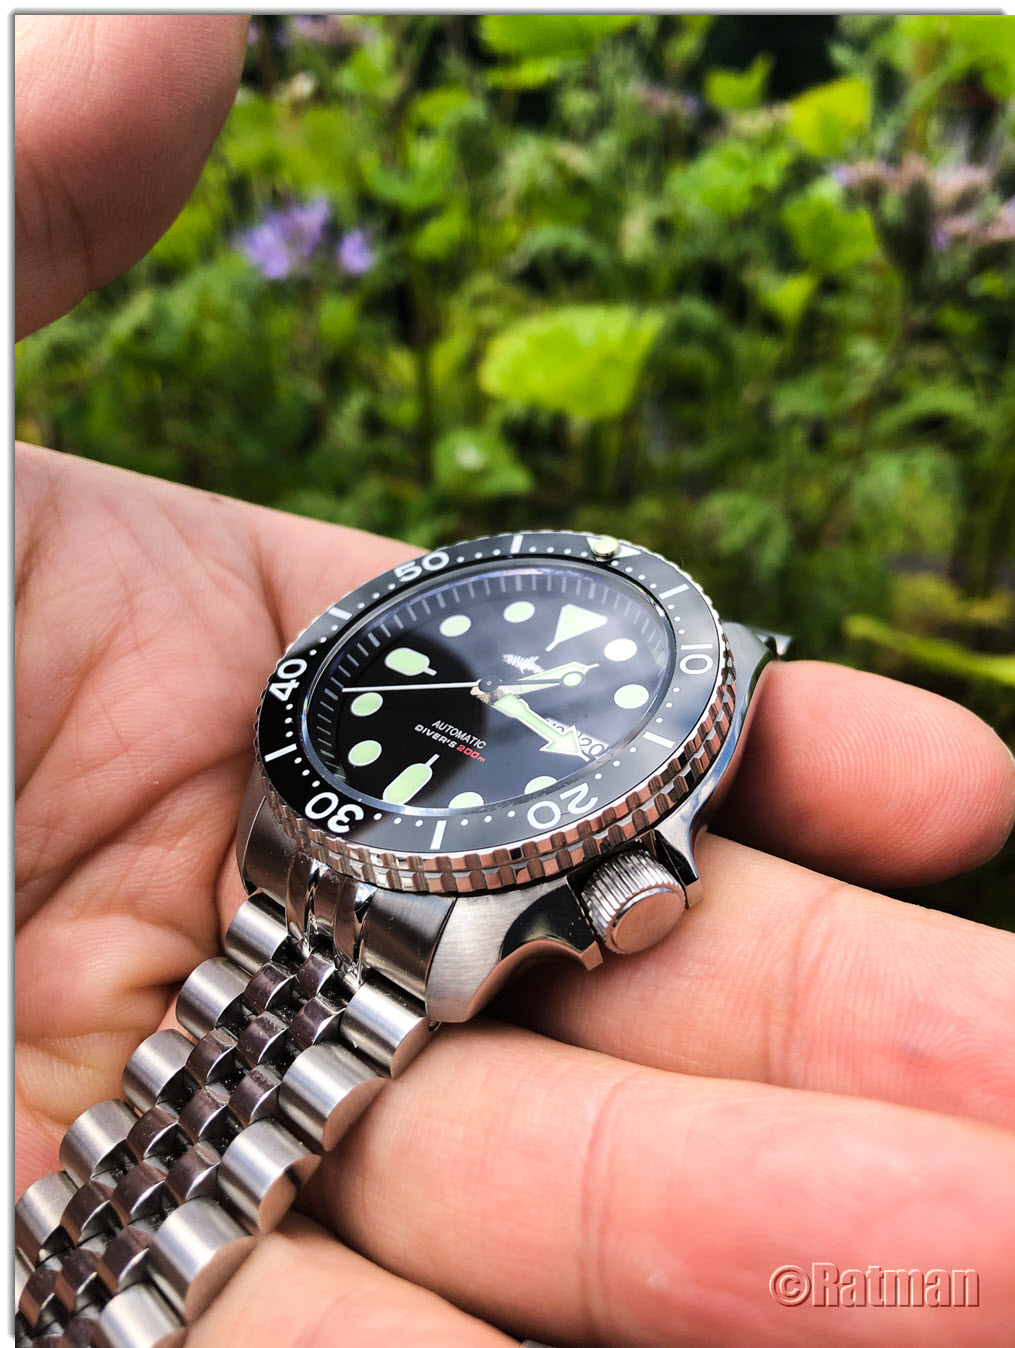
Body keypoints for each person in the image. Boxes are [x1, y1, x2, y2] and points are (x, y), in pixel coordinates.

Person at [14, 17, 1015, 1347]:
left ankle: (75, 1299)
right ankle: (60, 1285)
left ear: (633, 874)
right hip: (322, 846)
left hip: (409, 884)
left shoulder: (647, 748)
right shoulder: (313, 796)